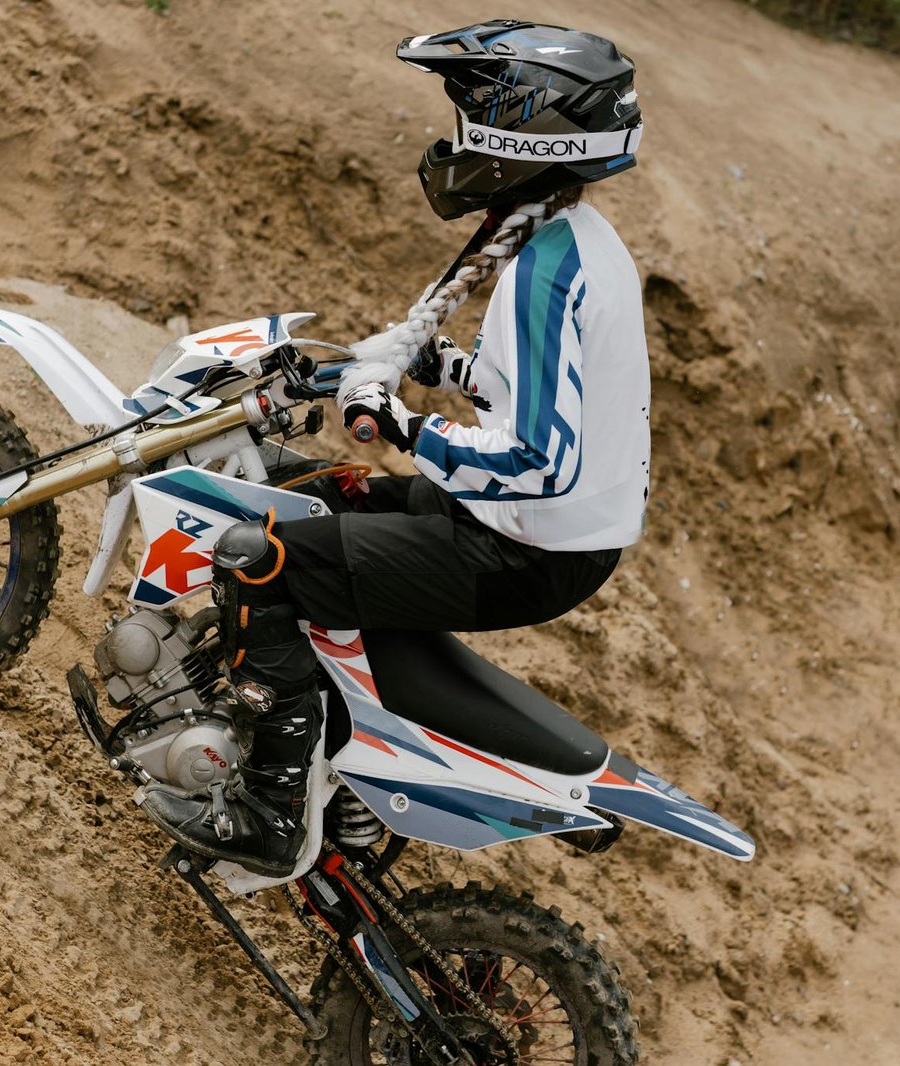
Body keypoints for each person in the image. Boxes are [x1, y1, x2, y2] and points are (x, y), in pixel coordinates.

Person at [138, 19, 651, 876]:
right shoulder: (563, 238)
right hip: (542, 529)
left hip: (520, 545)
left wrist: (405, 424)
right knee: (313, 494)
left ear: (523, 126)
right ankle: (314, 747)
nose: (453, 139)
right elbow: (518, 388)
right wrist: (421, 366)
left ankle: (269, 808)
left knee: (255, 556)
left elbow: (538, 459)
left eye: (470, 115)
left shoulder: (546, 267)